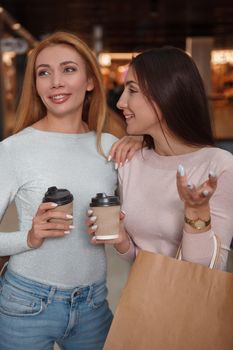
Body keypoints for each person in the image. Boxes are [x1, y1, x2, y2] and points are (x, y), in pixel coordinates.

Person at [0, 31, 141, 350]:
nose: (55, 82)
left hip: (93, 306)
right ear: (35, 85)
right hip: (25, 305)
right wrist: (29, 236)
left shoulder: (111, 147)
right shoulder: (13, 150)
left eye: (68, 69)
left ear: (91, 80)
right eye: (44, 73)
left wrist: (142, 141)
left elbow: (143, 226)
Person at [88, 47, 233, 271]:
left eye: (132, 90)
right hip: (143, 301)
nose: (120, 103)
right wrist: (122, 240)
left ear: (165, 95)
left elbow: (207, 268)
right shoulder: (131, 162)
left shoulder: (219, 165)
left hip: (195, 305)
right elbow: (140, 258)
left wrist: (196, 211)